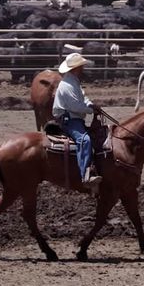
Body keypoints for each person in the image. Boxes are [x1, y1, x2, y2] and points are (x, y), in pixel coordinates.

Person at [52, 52, 103, 189]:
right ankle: (85, 175)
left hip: (74, 118)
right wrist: (91, 110)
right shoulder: (67, 85)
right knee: (84, 140)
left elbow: (83, 98)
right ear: (75, 68)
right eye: (81, 67)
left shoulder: (73, 82)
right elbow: (75, 106)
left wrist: (91, 104)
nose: (83, 69)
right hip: (69, 120)